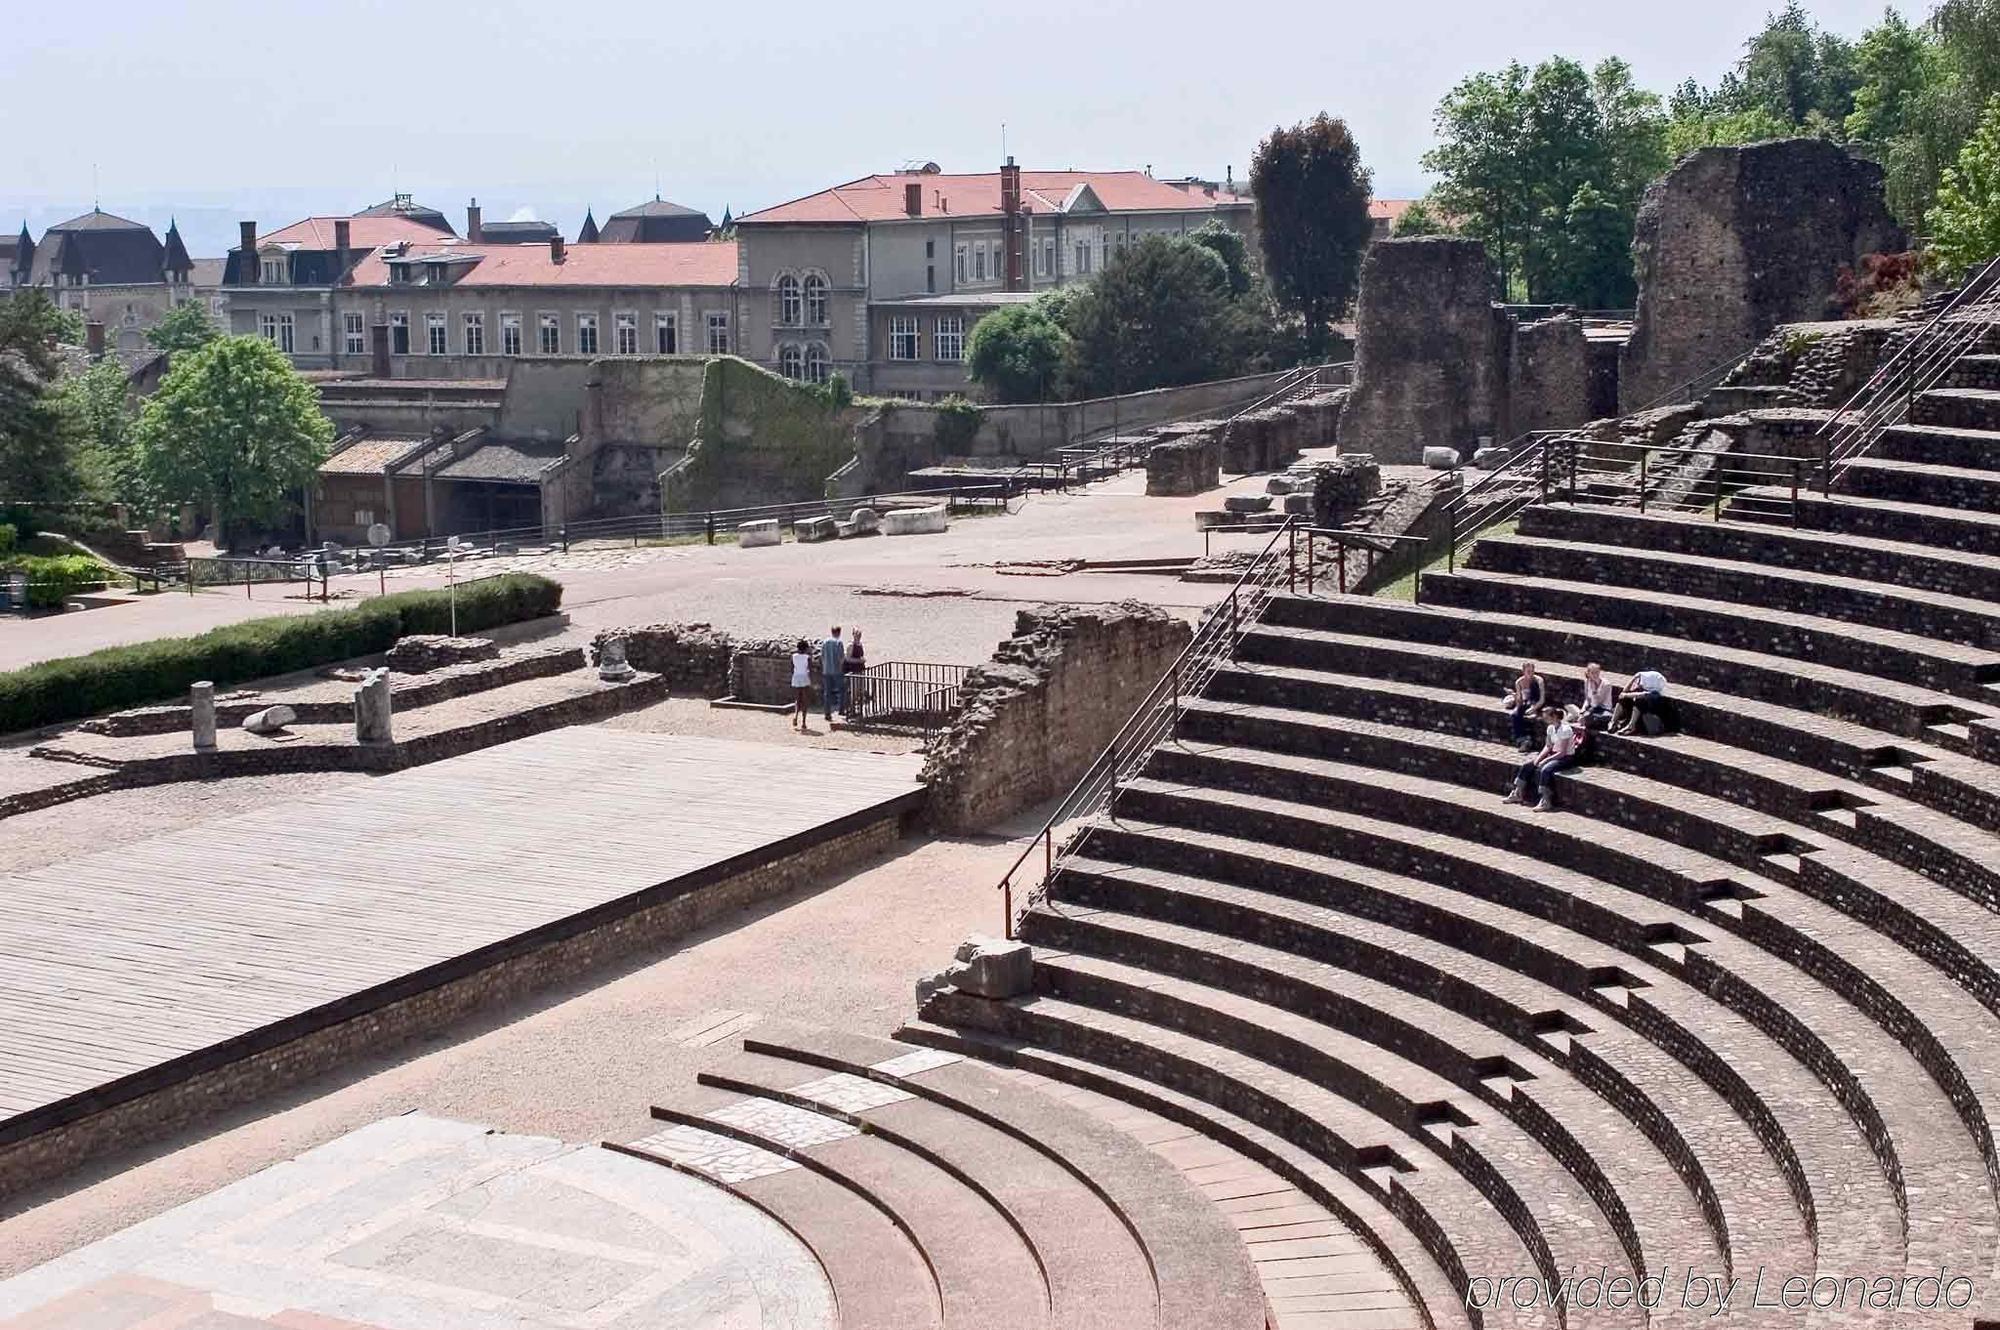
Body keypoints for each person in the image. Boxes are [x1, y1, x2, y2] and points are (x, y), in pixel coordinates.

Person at [1504, 703, 1580, 811]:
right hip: (1554, 754)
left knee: (1545, 769)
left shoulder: (1565, 729)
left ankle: (1546, 799)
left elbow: (1562, 752)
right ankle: (1518, 792)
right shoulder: (1550, 728)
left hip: (1566, 757)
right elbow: (1548, 746)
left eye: (1546, 717)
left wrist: (1546, 760)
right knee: (1527, 765)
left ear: (1554, 716)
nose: (1544, 719)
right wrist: (1538, 759)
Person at [1610, 668, 1672, 736]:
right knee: (1623, 698)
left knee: (1639, 700)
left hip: (1648, 718)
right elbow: (1623, 693)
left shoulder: (1656, 692)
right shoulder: (1643, 688)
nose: (1640, 683)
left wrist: (1626, 695)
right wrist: (1633, 679)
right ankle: (1613, 721)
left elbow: (1642, 695)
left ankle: (1631, 726)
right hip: (1639, 715)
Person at [1501, 662, 1547, 750]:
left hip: (1536, 702)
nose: (1531, 673)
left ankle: (1528, 739)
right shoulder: (1519, 682)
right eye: (1528, 671)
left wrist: (1534, 708)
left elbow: (1542, 699)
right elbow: (1520, 700)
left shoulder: (1538, 680)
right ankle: (1523, 739)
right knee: (1515, 715)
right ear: (1524, 671)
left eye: (1532, 671)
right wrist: (1515, 697)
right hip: (1526, 702)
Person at [1578, 662, 1618, 730]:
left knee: (1590, 719)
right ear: (1588, 673)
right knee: (1584, 717)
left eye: (1597, 672)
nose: (1595, 675)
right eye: (1592, 672)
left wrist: (1594, 690)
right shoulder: (1587, 682)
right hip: (1592, 708)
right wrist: (1583, 710)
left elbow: (1598, 702)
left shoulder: (1606, 684)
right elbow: (1587, 699)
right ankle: (1579, 715)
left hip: (1604, 708)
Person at [819, 625, 847, 721]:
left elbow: (822, 656)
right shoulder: (839, 643)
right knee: (842, 690)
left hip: (826, 670)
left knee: (827, 692)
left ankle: (827, 713)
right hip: (837, 670)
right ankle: (841, 709)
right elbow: (841, 658)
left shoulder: (825, 642)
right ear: (839, 632)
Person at [790, 639, 813, 732]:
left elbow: (792, 668)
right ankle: (803, 722)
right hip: (804, 677)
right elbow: (810, 669)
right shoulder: (808, 657)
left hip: (796, 677)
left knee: (797, 699)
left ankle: (795, 716)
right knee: (805, 700)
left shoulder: (793, 656)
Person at [844, 628, 868, 714]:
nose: (858, 636)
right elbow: (847, 659)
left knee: (861, 691)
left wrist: (862, 660)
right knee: (854, 691)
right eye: (856, 634)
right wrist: (859, 661)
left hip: (861, 670)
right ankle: (852, 710)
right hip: (854, 671)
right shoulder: (851, 646)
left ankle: (860, 709)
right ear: (853, 634)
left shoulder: (860, 645)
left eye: (859, 634)